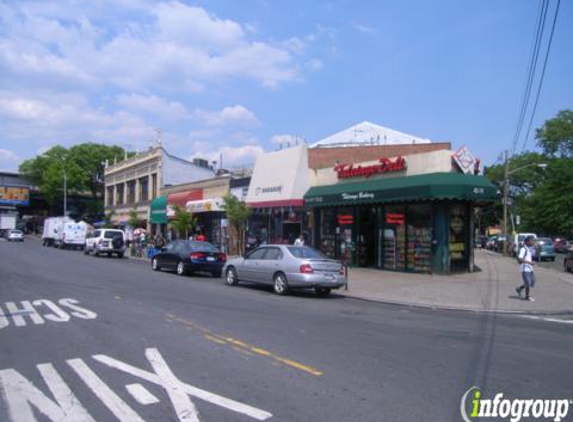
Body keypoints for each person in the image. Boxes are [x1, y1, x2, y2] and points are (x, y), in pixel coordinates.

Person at [516, 235, 536, 302]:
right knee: (528, 283)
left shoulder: (528, 249)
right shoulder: (523, 249)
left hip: (530, 268)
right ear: (528, 241)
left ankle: (519, 288)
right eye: (532, 241)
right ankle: (527, 296)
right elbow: (520, 259)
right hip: (525, 269)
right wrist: (530, 262)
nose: (533, 242)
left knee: (532, 282)